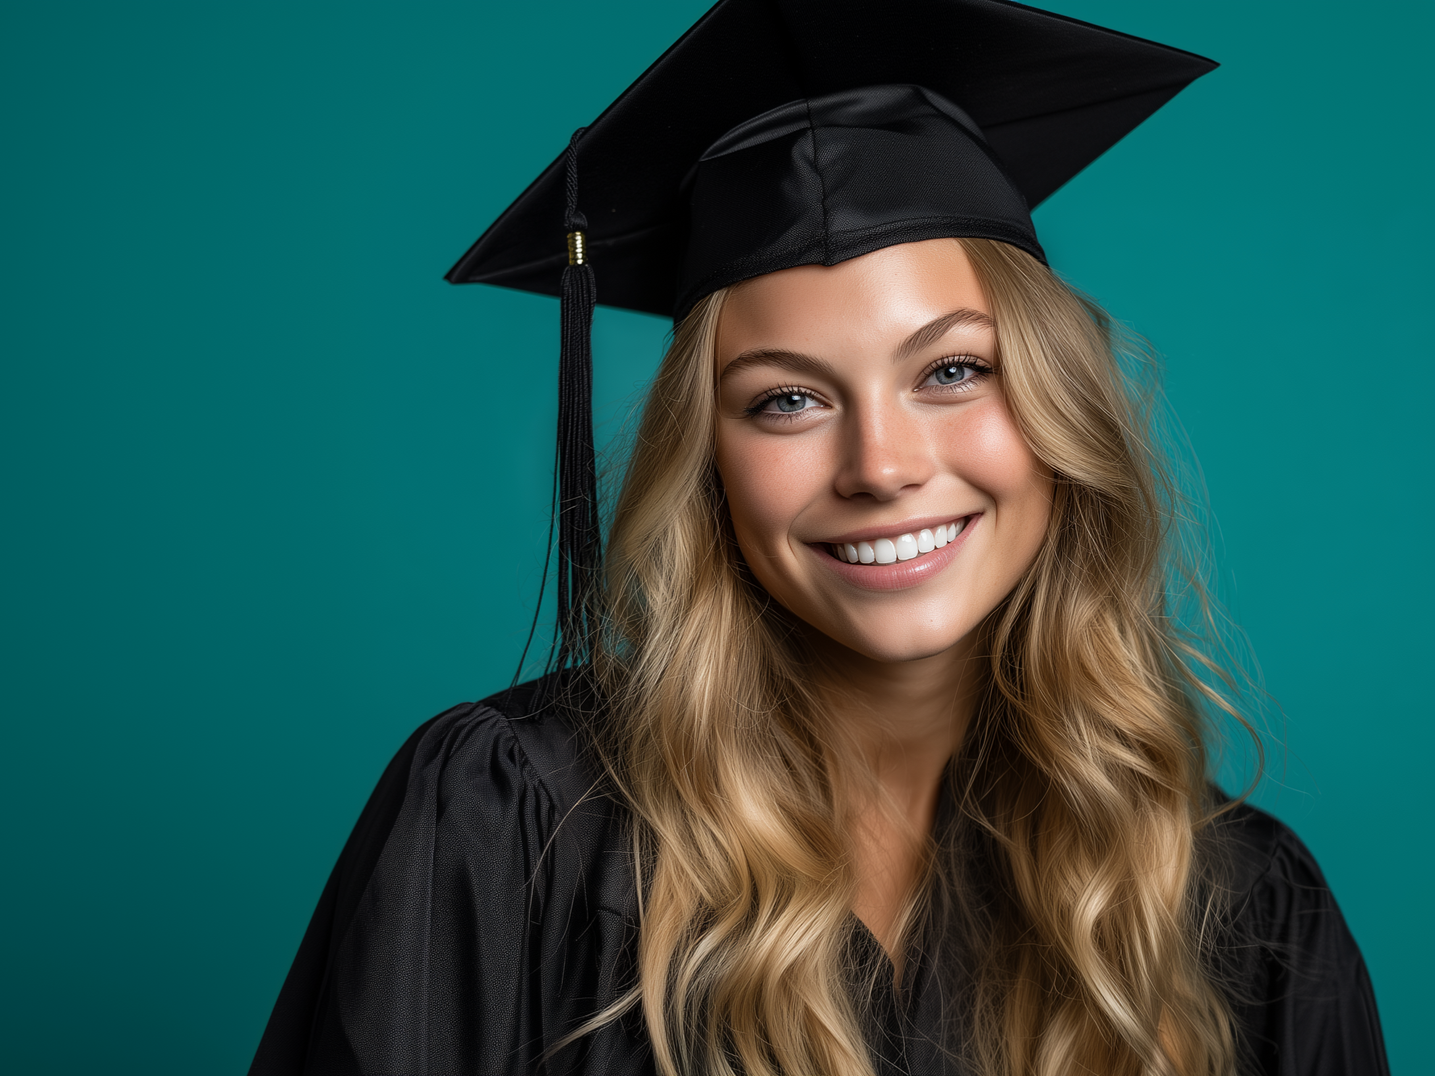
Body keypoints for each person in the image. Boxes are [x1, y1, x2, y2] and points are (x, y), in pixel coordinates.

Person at [249, 1, 1388, 1073]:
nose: (880, 466)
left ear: (1060, 411)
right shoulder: (515, 826)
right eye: (786, 399)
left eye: (953, 370)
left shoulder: (1241, 906)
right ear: (708, 462)